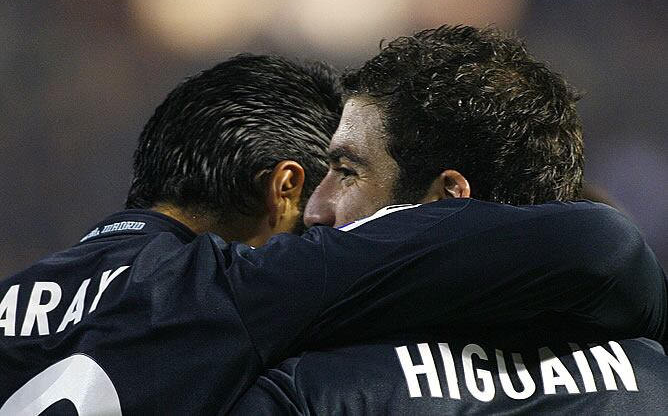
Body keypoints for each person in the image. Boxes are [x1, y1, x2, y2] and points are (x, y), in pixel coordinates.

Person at [0, 54, 663, 414]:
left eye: (345, 173)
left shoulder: (20, 300)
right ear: (281, 188)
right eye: (329, 170)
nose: (319, 214)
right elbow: (598, 248)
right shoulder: (245, 299)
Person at [233, 26, 668, 414]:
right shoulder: (652, 377)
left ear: (447, 200)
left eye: (348, 173)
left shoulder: (312, 390)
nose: (315, 209)